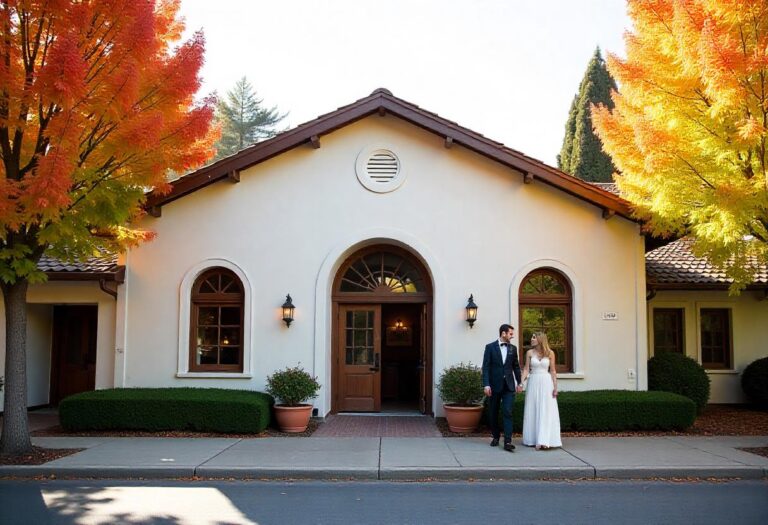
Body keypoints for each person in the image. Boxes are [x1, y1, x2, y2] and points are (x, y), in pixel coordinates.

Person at [482, 324, 522, 452]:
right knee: (493, 412)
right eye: (510, 333)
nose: (512, 336)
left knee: (508, 412)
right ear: (503, 333)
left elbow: (516, 366)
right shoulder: (490, 347)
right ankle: (495, 436)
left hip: (509, 386)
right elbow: (486, 367)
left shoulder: (513, 349)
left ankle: (508, 441)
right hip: (494, 386)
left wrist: (519, 382)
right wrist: (486, 384)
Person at [521, 332, 562, 449]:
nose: (531, 339)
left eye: (533, 337)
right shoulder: (529, 353)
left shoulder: (550, 353)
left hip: (546, 382)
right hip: (533, 382)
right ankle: (533, 439)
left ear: (540, 339)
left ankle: (544, 440)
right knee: (533, 408)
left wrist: (555, 387)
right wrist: (521, 382)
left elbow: (553, 371)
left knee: (545, 409)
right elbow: (526, 369)